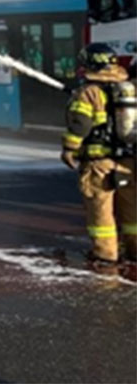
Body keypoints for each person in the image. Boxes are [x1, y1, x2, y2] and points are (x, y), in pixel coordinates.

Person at [60, 43, 136, 265]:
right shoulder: (129, 89)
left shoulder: (88, 93)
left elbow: (80, 126)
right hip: (127, 162)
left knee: (101, 210)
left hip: (98, 164)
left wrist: (69, 149)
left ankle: (106, 254)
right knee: (132, 210)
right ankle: (134, 250)